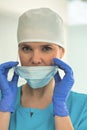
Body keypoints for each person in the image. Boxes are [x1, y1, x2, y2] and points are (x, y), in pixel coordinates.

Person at [0, 7, 87, 130]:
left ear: (61, 53)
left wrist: (61, 110)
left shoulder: (83, 106)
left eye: (46, 48)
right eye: (26, 48)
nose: (35, 59)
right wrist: (3, 111)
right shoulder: (2, 100)